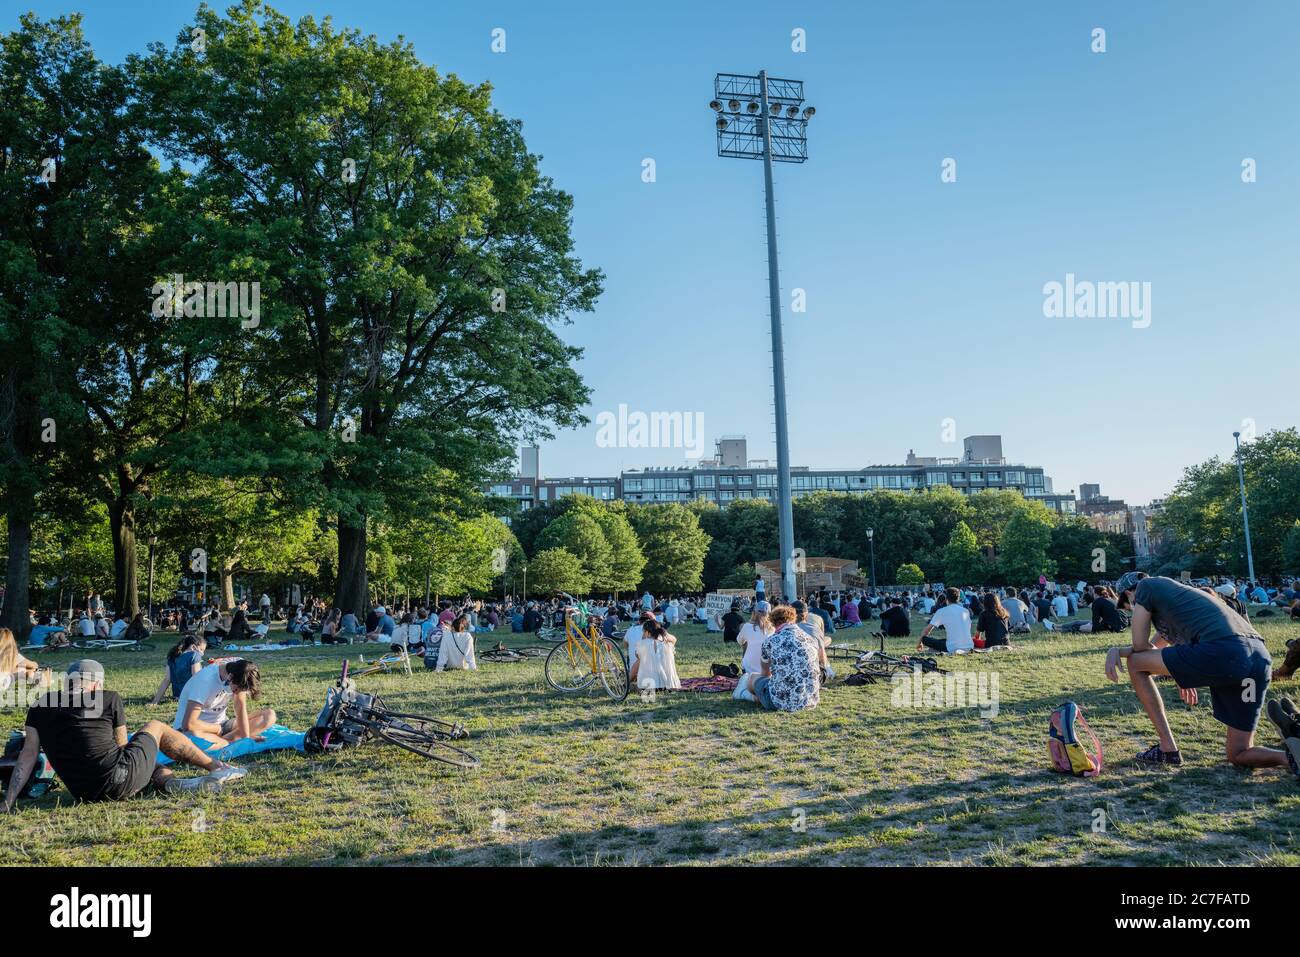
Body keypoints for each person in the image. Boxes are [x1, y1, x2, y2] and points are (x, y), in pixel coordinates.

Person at [1104, 571, 1298, 773]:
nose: (1130, 611)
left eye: (1127, 606)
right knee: (1238, 753)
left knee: (1135, 663)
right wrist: (1180, 675)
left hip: (1226, 652)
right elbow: (1156, 651)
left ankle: (1167, 749)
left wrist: (1116, 651)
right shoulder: (1181, 603)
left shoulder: (1147, 586)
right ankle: (1291, 758)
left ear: (1128, 593)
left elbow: (1139, 646)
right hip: (1258, 659)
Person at [4, 660, 246, 810]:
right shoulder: (108, 698)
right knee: (155, 727)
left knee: (138, 756)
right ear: (96, 685)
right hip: (118, 781)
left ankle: (172, 784)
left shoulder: (39, 705)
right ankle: (217, 767)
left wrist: (8, 799)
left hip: (83, 792)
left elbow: (28, 755)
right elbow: (122, 748)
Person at [173, 659, 277, 749]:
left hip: (222, 725)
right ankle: (227, 742)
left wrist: (246, 738)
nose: (237, 693)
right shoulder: (205, 681)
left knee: (269, 716)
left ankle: (224, 741)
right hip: (196, 730)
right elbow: (188, 724)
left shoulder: (239, 671)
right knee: (193, 737)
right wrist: (216, 729)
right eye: (236, 690)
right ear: (230, 677)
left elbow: (240, 707)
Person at [734, 605, 821, 713]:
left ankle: (745, 695)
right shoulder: (810, 639)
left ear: (773, 622)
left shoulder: (771, 641)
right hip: (809, 701)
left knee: (753, 678)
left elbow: (765, 674)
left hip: (779, 701)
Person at [150, 634, 207, 704]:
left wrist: (155, 701)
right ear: (193, 647)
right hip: (191, 697)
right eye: (201, 649)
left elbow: (167, 680)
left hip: (177, 696)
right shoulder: (195, 655)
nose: (203, 653)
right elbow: (197, 678)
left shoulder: (172, 657)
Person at [918, 587, 973, 654]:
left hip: (952, 647)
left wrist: (920, 642)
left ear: (946, 598)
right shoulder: (965, 611)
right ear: (958, 599)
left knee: (925, 639)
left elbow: (927, 630)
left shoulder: (942, 611)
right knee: (943, 641)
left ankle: (934, 648)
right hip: (969, 645)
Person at [631, 618, 680, 691]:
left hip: (648, 686)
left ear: (647, 632)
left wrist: (643, 639)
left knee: (638, 662)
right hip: (670, 685)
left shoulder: (642, 644)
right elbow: (674, 639)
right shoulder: (668, 644)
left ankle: (627, 682)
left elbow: (638, 656)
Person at [737, 602, 773, 675]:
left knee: (745, 642)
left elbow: (740, 641)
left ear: (754, 613)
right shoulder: (773, 629)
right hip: (768, 671)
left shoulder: (746, 627)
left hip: (748, 669)